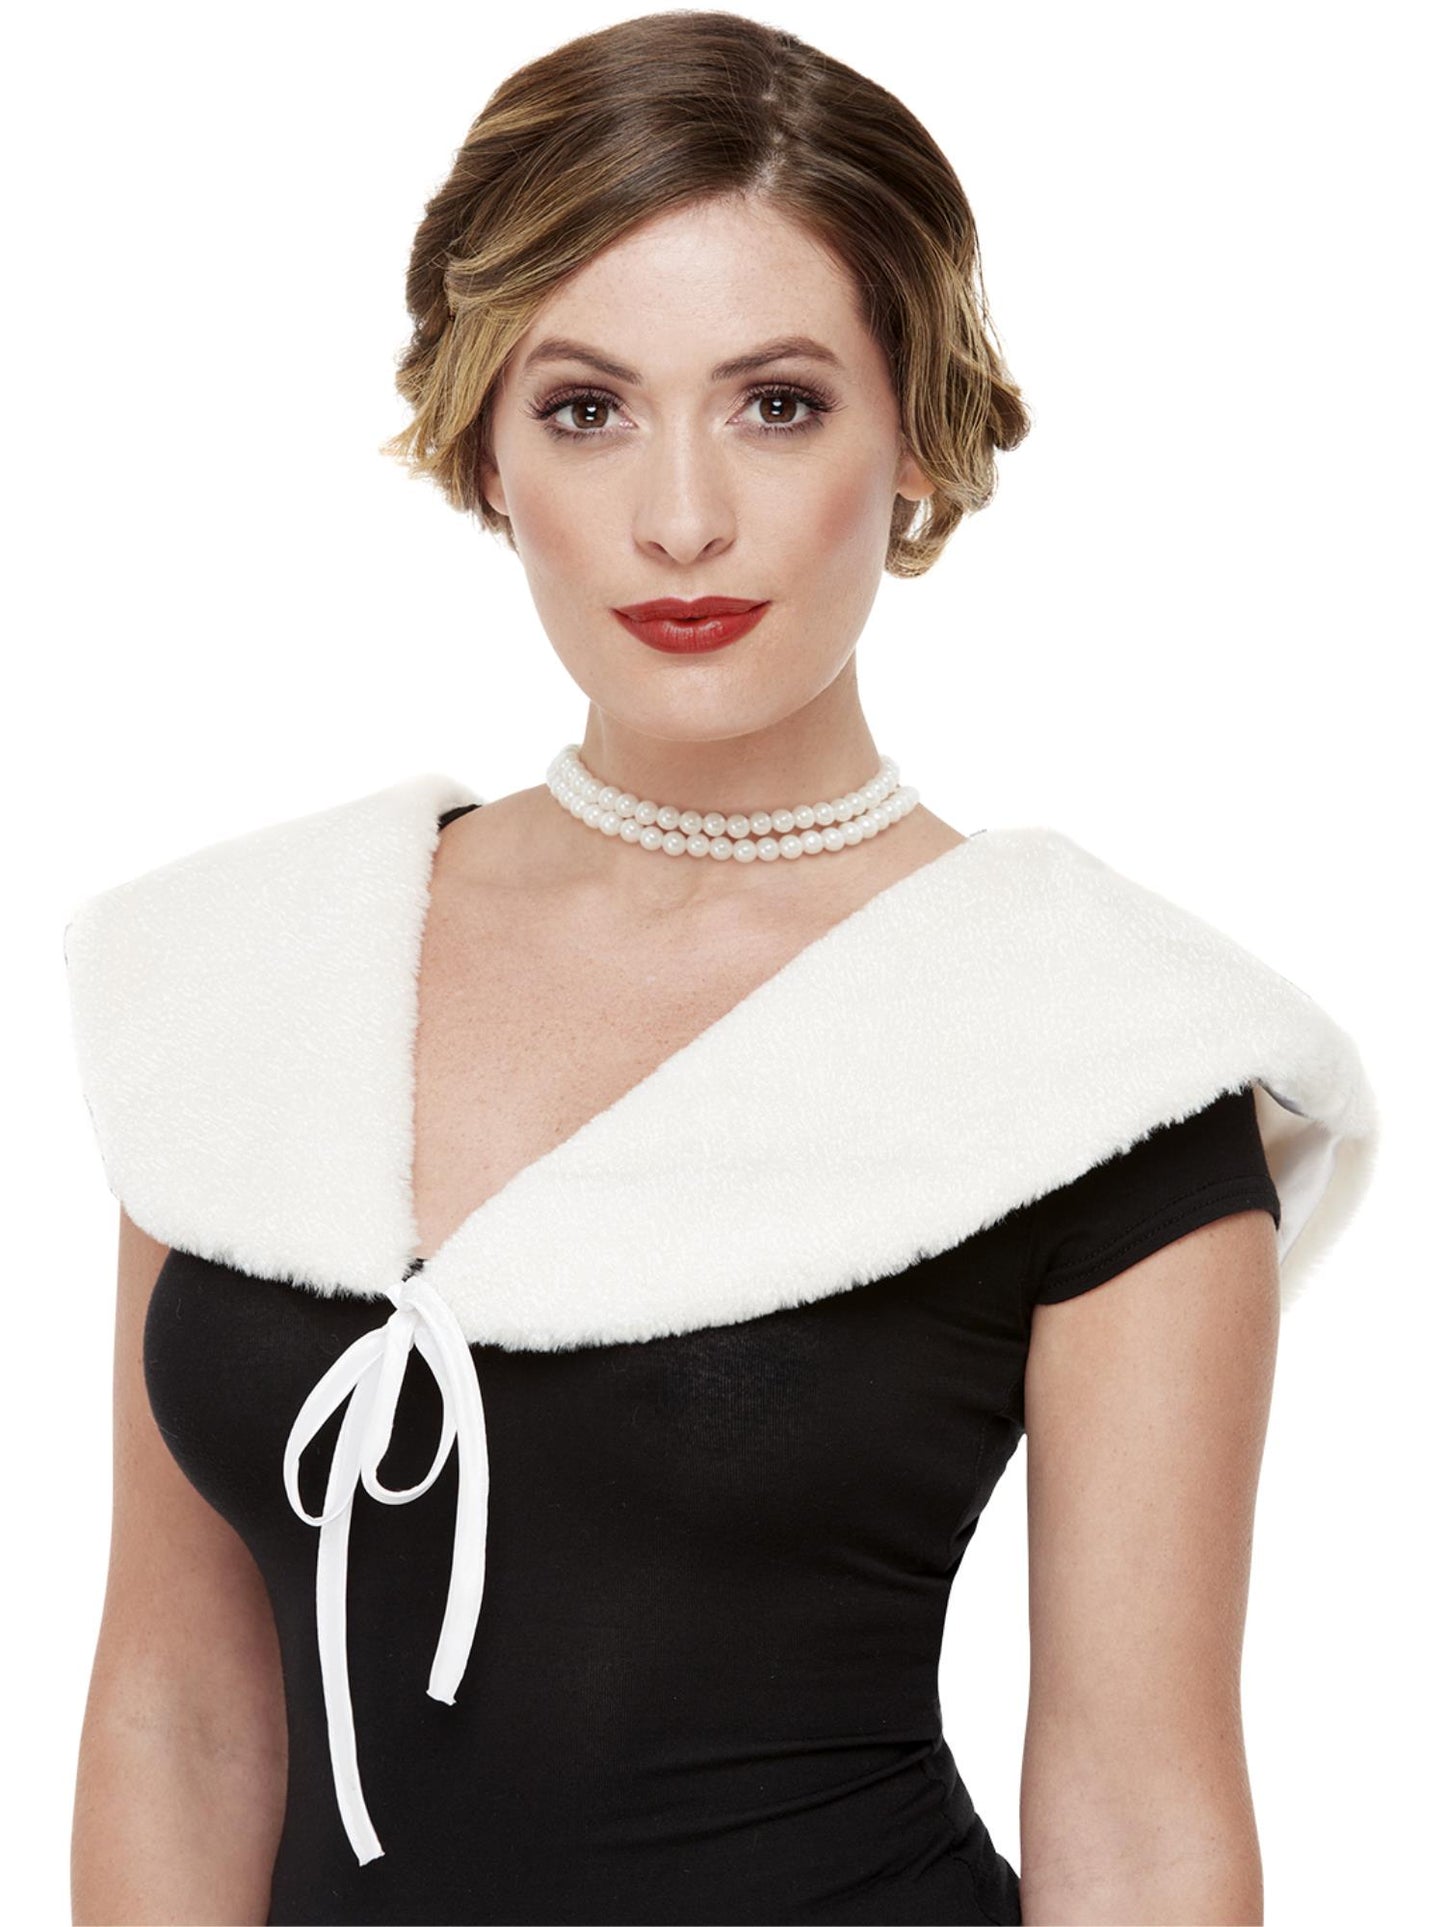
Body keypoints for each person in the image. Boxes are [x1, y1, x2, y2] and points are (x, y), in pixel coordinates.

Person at [65, 13, 1377, 1925]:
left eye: (776, 403)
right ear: (484, 447)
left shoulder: (1095, 1051)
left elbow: (1137, 1805)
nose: (680, 517)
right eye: (584, 409)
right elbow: (177, 1713)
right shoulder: (248, 968)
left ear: (911, 431)